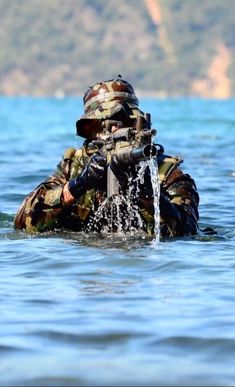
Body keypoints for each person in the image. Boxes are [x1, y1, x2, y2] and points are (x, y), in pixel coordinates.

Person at [14, 77, 199, 238]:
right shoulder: (74, 167)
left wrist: (150, 197)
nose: (115, 131)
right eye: (105, 125)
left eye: (126, 123)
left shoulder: (164, 172)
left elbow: (188, 233)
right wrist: (79, 185)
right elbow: (24, 223)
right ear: (90, 130)